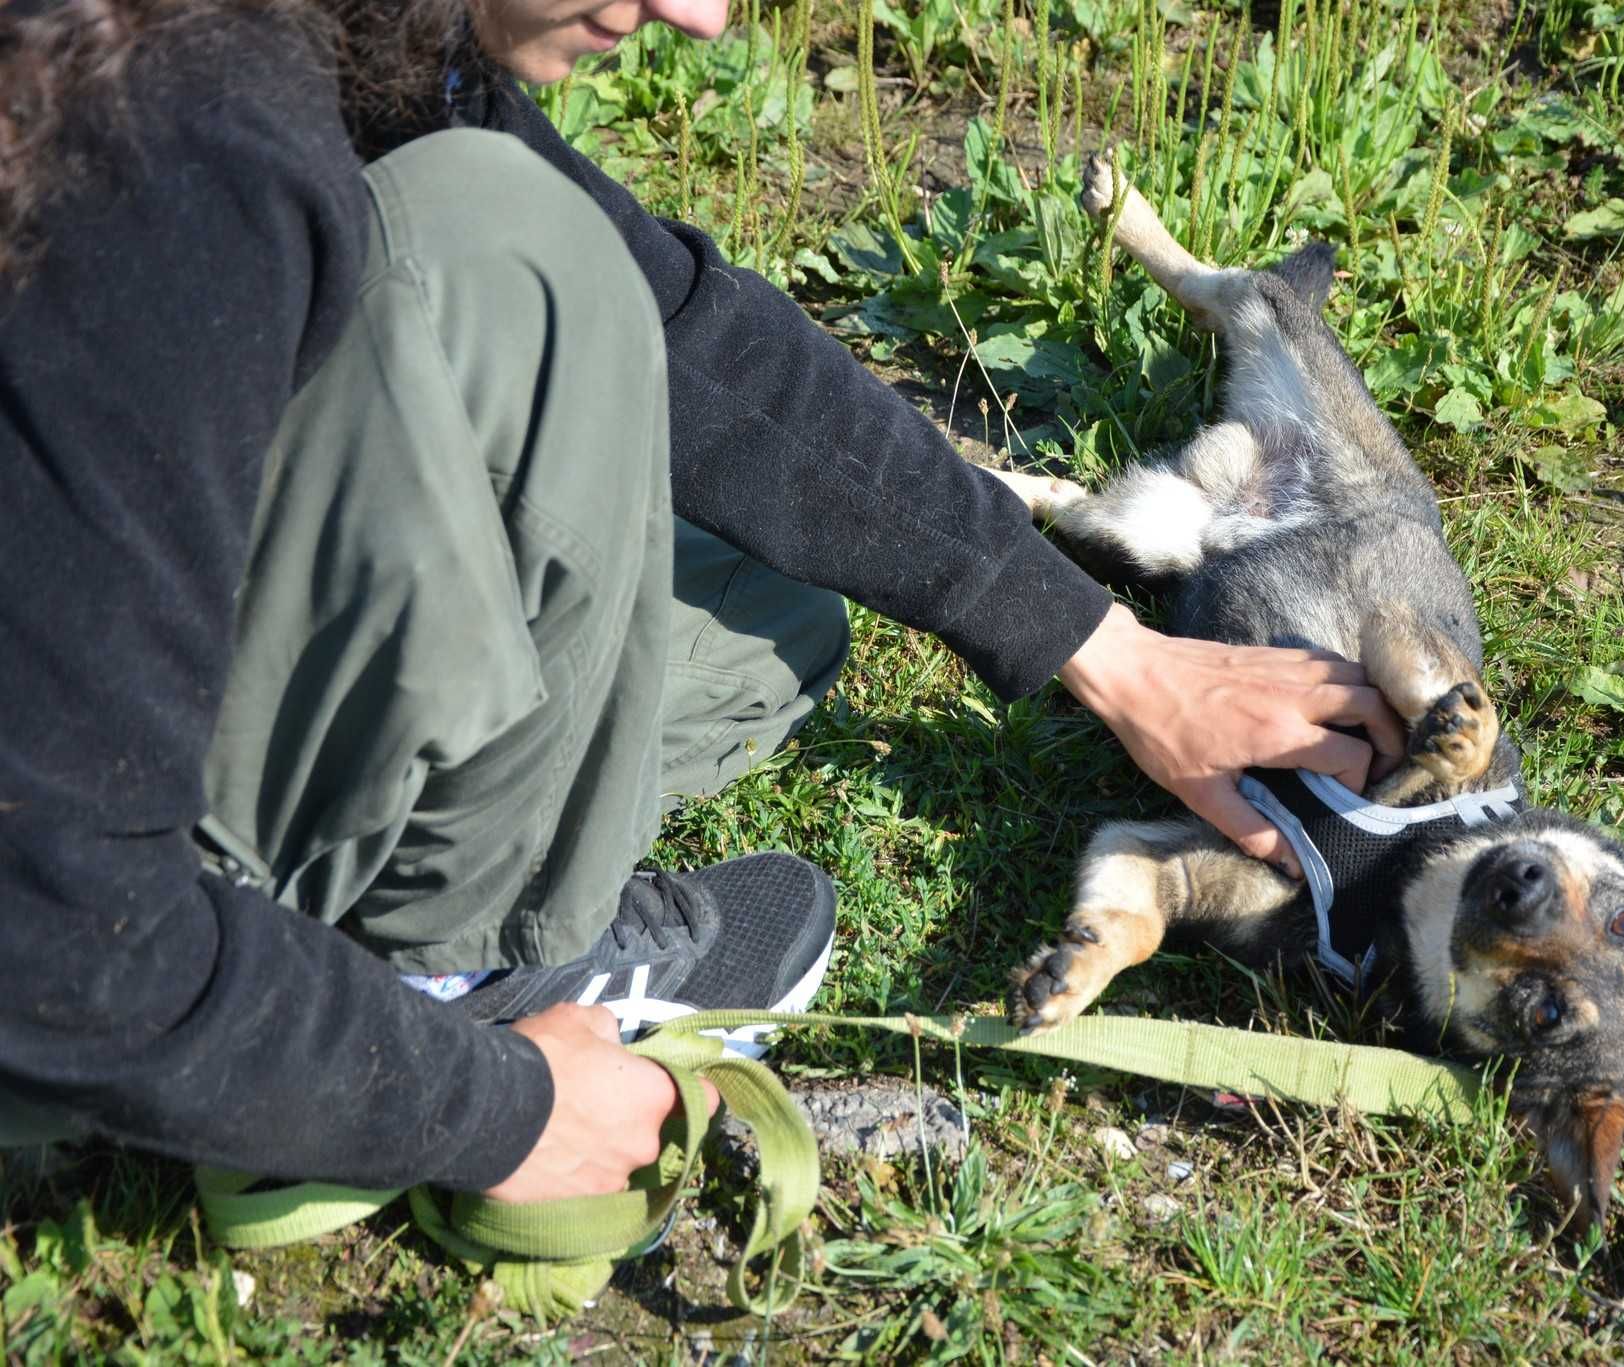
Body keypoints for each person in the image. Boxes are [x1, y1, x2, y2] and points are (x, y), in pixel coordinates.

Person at [0, 0, 1401, 1208]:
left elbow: (686, 339)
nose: (706, 18)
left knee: (757, 600)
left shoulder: (324, 43)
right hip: (72, 948)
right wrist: (492, 1113)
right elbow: (56, 939)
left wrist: (1115, 655)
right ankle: (444, 992)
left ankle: (366, 946)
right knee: (512, 248)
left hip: (114, 750)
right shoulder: (169, 147)